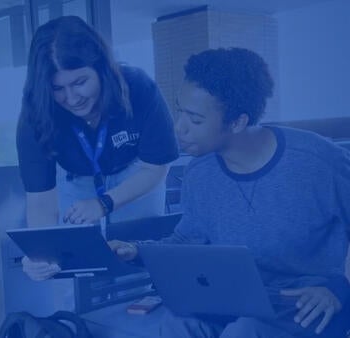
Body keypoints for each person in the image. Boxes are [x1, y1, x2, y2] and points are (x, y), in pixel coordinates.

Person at [110, 47, 350, 337]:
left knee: (245, 332)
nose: (179, 128)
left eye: (195, 120)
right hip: (238, 298)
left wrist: (340, 287)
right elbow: (188, 238)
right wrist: (137, 251)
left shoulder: (319, 162)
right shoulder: (199, 172)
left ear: (238, 122)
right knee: (178, 324)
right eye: (179, 111)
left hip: (307, 302)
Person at [16, 15, 179, 281]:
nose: (71, 98)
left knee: (138, 259)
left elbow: (156, 168)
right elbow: (41, 200)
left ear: (102, 68)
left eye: (80, 82)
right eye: (58, 88)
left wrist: (105, 203)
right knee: (71, 265)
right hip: (77, 180)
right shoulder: (37, 111)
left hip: (137, 173)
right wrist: (42, 257)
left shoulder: (138, 87)